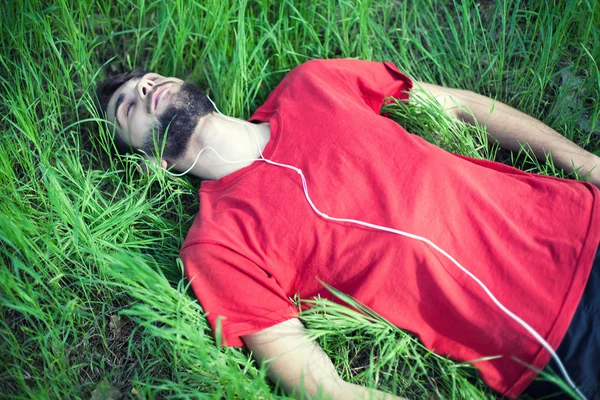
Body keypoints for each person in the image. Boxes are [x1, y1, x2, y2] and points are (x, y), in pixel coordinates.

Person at [96, 59, 600, 399]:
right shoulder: (216, 245)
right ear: (150, 165)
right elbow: (322, 384)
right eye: (127, 108)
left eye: (146, 80)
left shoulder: (311, 84)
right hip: (553, 343)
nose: (143, 90)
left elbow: (455, 104)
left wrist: (584, 163)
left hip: (580, 220)